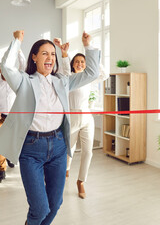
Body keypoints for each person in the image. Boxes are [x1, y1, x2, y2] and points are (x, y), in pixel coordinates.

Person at [0, 30, 100, 225]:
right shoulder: (24, 81)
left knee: (55, 203)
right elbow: (6, 67)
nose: (50, 57)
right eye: (44, 53)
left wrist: (88, 45)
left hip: (58, 147)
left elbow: (92, 73)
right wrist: (17, 40)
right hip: (31, 148)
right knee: (40, 209)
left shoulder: (63, 81)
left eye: (52, 53)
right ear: (34, 57)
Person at [54, 38, 109, 199]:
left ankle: (81, 181)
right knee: (68, 151)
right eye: (77, 61)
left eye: (83, 62)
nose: (79, 64)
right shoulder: (69, 77)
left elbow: (104, 75)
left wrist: (93, 58)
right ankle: (65, 171)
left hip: (87, 117)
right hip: (72, 117)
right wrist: (64, 52)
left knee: (88, 151)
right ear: (73, 64)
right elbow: (64, 67)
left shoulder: (89, 78)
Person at [0, 50, 26, 183]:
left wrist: (18, 48)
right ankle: (1, 170)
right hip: (0, 117)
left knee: (15, 140)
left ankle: (10, 157)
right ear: (0, 70)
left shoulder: (17, 79)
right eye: (4, 70)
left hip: (15, 117)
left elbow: (23, 65)